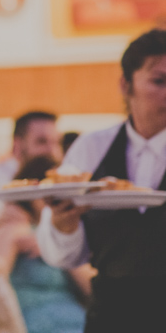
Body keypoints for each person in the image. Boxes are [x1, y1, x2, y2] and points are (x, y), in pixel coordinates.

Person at [37, 28, 166, 333]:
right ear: (126, 85)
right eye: (159, 81)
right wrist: (64, 224)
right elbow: (64, 255)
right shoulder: (91, 148)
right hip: (111, 315)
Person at [0, 156, 88, 333]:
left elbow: (92, 288)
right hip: (35, 323)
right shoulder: (15, 227)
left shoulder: (69, 234)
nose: (59, 200)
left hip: (78, 321)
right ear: (33, 196)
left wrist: (55, 246)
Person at [0, 111, 62, 226]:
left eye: (56, 142)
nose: (52, 151)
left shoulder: (63, 181)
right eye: (41, 142)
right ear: (17, 146)